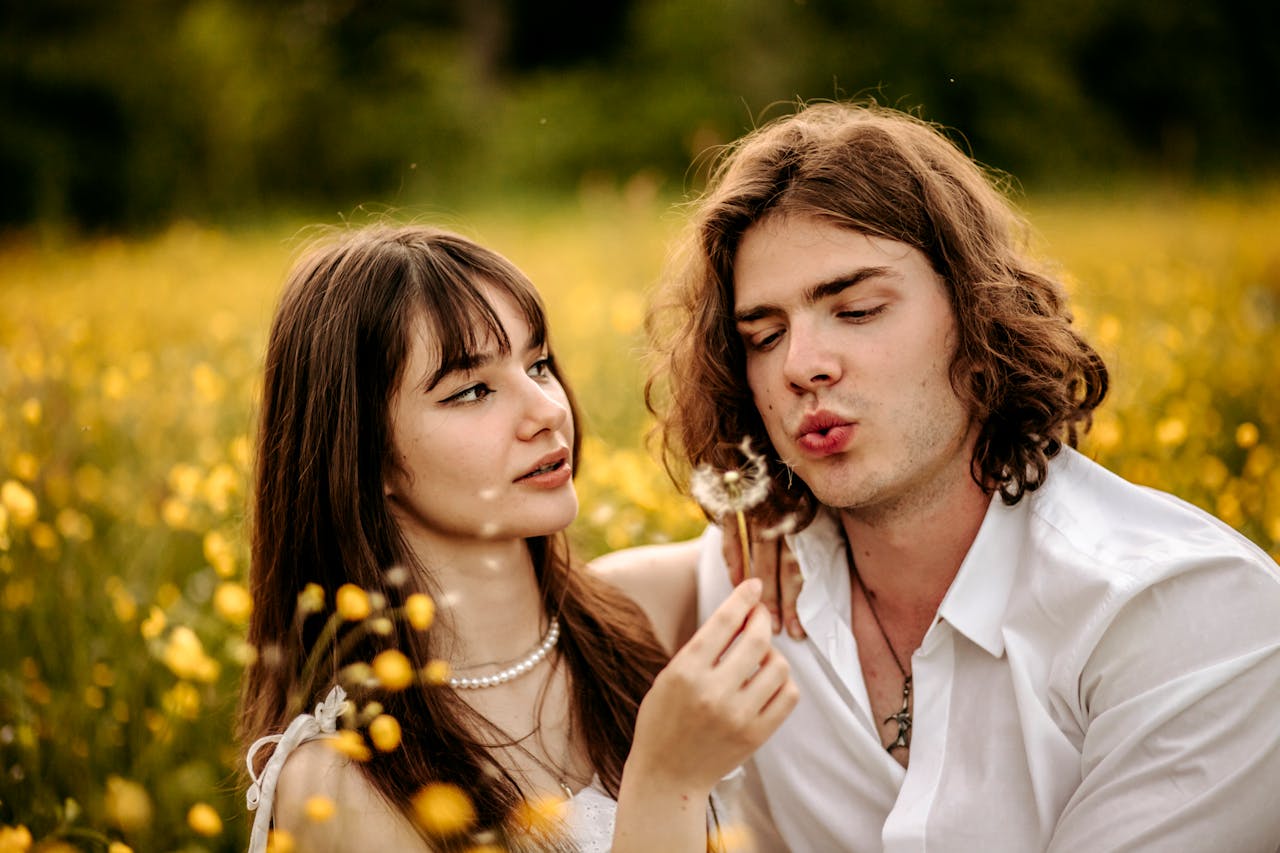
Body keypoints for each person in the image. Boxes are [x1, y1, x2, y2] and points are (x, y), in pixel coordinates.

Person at [647, 101, 1280, 851]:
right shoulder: (759, 582)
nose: (800, 365)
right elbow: (555, 605)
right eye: (764, 334)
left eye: (856, 308)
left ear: (980, 319)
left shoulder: (1182, 612)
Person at [237, 224, 797, 852]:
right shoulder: (342, 779)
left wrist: (777, 513)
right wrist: (667, 782)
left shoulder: (638, 611)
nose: (547, 410)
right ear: (363, 456)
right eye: (472, 391)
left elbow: (838, 546)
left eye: (538, 364)